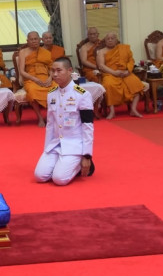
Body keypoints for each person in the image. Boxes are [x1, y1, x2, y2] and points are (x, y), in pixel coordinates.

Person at [34, 57, 95, 186]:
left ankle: (79, 163)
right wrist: (46, 150)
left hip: (74, 145)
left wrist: (87, 155)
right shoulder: (51, 94)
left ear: (69, 71)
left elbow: (87, 126)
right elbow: (50, 125)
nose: (55, 74)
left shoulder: (82, 94)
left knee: (59, 179)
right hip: (56, 144)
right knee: (40, 176)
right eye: (52, 71)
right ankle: (61, 162)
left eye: (59, 70)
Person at [96, 32, 145, 119]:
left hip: (125, 73)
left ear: (116, 40)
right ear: (105, 41)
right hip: (110, 74)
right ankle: (112, 111)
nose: (110, 40)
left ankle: (133, 109)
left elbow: (131, 61)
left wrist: (128, 71)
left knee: (136, 83)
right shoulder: (101, 52)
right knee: (108, 84)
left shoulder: (124, 49)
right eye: (108, 39)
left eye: (112, 38)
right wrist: (114, 72)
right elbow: (101, 66)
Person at [17, 31, 57, 127]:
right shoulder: (23, 52)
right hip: (30, 79)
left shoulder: (46, 52)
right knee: (32, 91)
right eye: (31, 39)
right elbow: (22, 71)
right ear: (27, 41)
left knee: (56, 88)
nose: (34, 41)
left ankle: (50, 116)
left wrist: (50, 78)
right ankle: (40, 117)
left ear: (40, 40)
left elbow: (52, 68)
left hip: (45, 78)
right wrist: (35, 79)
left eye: (36, 39)